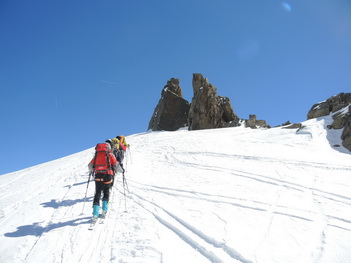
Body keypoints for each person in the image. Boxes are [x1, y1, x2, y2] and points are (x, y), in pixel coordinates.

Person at [88, 142, 123, 219]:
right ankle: (104, 210)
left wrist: (94, 169)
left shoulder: (96, 156)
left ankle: (95, 214)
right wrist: (122, 171)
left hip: (98, 176)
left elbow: (90, 166)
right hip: (108, 175)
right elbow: (116, 165)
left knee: (97, 193)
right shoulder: (110, 155)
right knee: (106, 191)